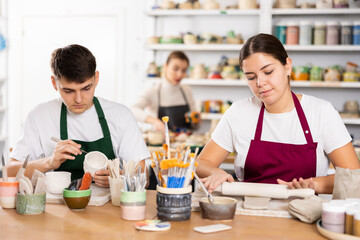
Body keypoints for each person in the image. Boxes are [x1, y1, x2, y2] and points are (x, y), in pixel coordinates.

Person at [196, 33, 360, 194]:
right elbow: (201, 163)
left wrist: (313, 184)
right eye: (251, 77)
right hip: (249, 212)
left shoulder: (322, 113)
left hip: (305, 214)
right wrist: (214, 172)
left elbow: (354, 177)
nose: (260, 83)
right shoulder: (238, 113)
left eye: (268, 72)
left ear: (287, 66)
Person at [7, 44, 150, 187]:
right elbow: (10, 171)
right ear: (54, 83)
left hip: (110, 207)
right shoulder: (39, 116)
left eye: (86, 88)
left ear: (96, 78)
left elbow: (144, 176)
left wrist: (120, 177)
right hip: (56, 207)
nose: (79, 99)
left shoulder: (121, 116)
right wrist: (49, 162)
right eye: (68, 91)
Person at [132, 51, 198, 133]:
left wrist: (196, 120)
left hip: (186, 143)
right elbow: (133, 110)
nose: (179, 74)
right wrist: (153, 121)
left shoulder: (186, 90)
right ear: (165, 67)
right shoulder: (153, 91)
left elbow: (195, 125)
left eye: (184, 70)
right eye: (175, 69)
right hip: (162, 143)